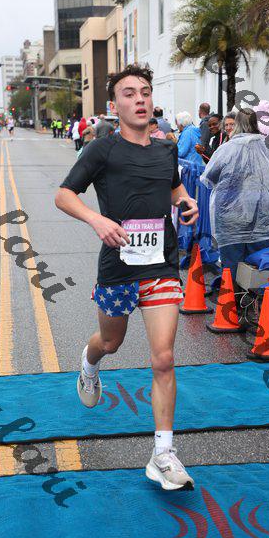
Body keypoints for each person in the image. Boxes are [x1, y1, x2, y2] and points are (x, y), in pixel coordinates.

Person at [55, 63, 199, 491]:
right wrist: (97, 220)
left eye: (145, 92)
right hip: (118, 269)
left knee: (164, 358)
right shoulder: (101, 149)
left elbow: (172, 188)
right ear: (115, 105)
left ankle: (163, 454)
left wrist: (186, 201)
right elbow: (63, 195)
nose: (140, 99)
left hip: (161, 265)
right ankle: (89, 364)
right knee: (110, 342)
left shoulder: (166, 149)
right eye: (130, 93)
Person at [200, 108, 269, 284]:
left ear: (236, 124)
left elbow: (209, 177)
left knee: (231, 257)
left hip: (229, 209)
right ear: (255, 123)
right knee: (257, 257)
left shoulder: (227, 149)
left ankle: (232, 294)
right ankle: (253, 294)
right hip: (262, 209)